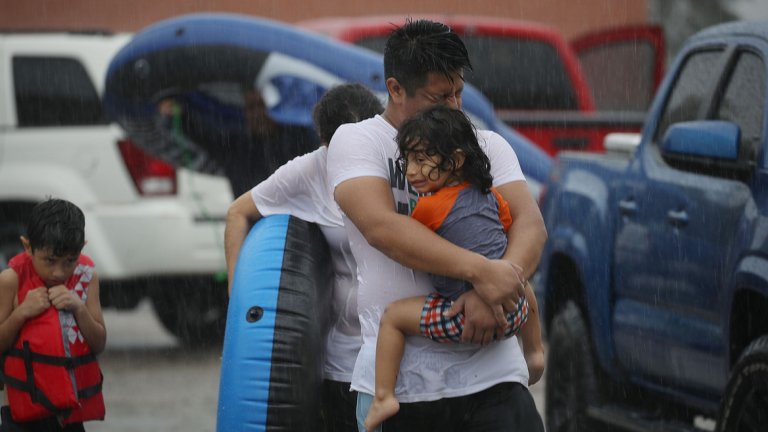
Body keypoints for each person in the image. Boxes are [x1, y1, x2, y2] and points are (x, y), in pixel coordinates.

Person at [326, 19, 547, 432]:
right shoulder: (358, 141)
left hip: (494, 377)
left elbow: (530, 225)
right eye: (439, 96)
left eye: (458, 93)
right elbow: (382, 228)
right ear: (395, 89)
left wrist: (497, 288)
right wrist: (480, 271)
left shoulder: (484, 146)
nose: (454, 107)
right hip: (401, 387)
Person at [363, 105, 545, 431]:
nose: (412, 171)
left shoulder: (428, 208)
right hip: (512, 310)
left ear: (456, 160)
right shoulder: (489, 195)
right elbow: (505, 225)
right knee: (519, 279)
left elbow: (413, 244)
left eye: (422, 159)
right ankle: (534, 351)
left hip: (462, 317)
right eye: (407, 161)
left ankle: (383, 396)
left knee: (393, 318)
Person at [224, 83, 384, 432]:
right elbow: (238, 212)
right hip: (343, 360)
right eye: (341, 149)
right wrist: (238, 306)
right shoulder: (311, 170)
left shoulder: (402, 164)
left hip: (399, 353)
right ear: (325, 143)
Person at [0, 198, 107, 431]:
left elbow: (98, 343)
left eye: (70, 261)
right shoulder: (11, 280)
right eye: (49, 260)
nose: (59, 272)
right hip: (21, 416)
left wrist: (78, 308)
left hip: (69, 417)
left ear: (82, 248)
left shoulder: (86, 279)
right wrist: (21, 313)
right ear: (27, 247)